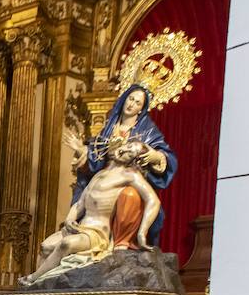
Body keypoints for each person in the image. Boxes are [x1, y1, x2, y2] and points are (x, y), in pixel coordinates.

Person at [22, 138, 161, 285]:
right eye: (128, 146)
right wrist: (70, 218)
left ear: (134, 161)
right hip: (80, 226)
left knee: (66, 244)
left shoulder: (130, 175)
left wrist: (141, 233)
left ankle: (33, 278)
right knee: (45, 247)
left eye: (130, 153)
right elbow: (81, 202)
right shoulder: (100, 174)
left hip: (97, 234)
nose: (124, 150)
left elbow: (153, 200)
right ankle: (41, 288)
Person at [68, 82, 176, 246]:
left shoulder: (148, 131)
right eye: (130, 99)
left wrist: (154, 156)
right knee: (89, 192)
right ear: (125, 99)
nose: (132, 104)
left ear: (141, 108)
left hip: (128, 179)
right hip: (106, 176)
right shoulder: (110, 127)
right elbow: (95, 157)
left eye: (137, 102)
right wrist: (81, 151)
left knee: (130, 195)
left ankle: (122, 242)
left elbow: (165, 156)